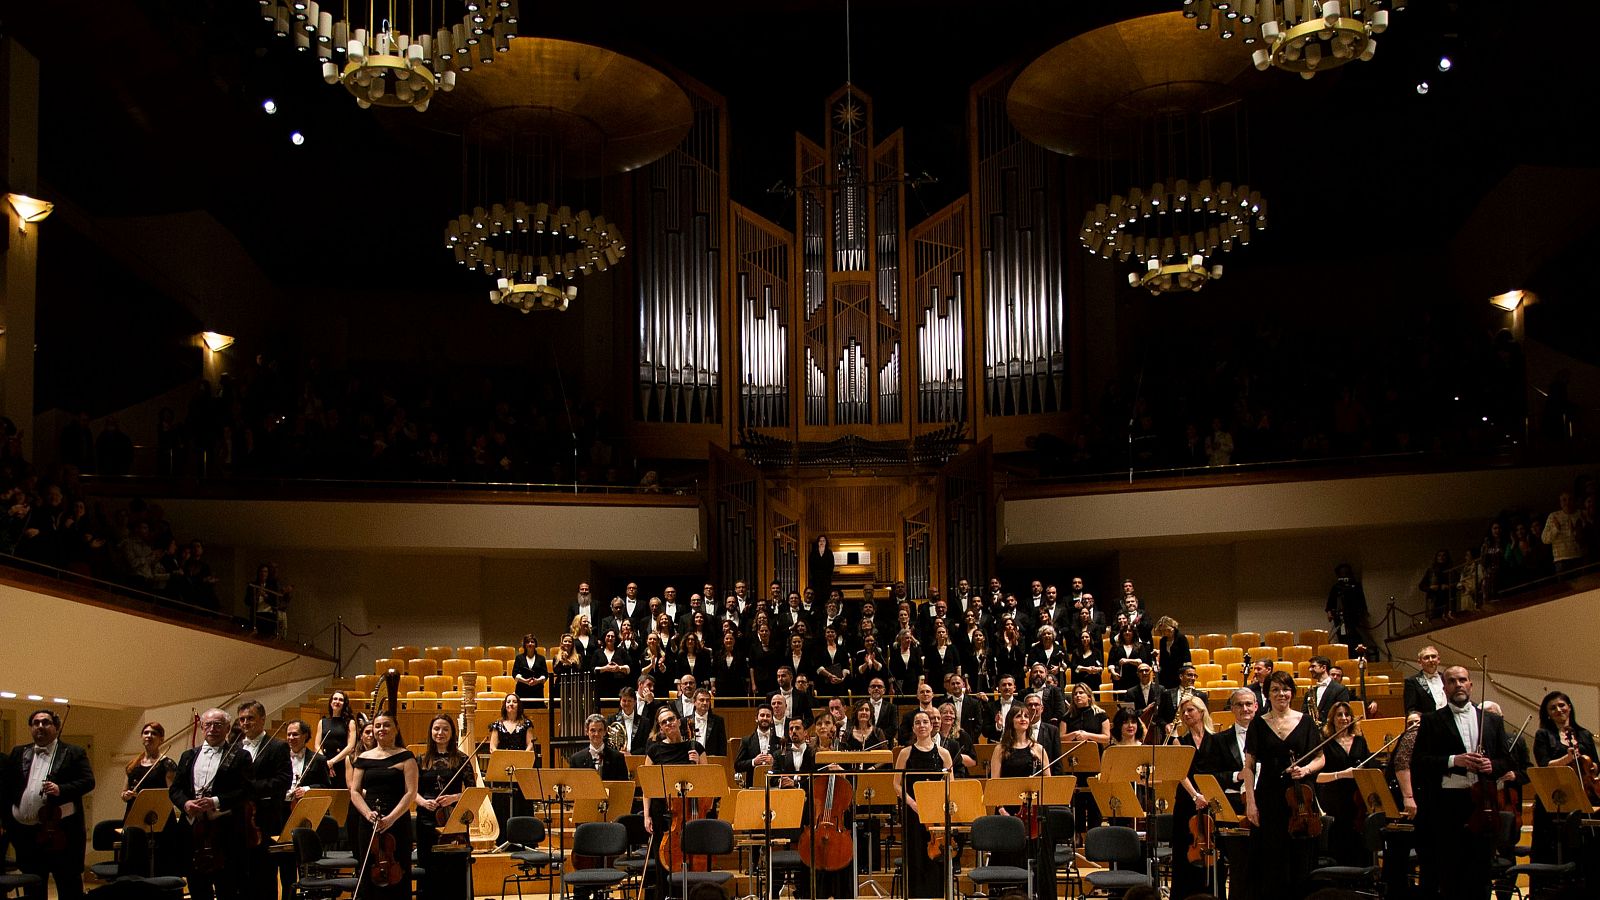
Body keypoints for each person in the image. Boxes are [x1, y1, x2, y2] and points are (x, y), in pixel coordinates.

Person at [1411, 665, 1513, 900]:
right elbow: (1419, 763)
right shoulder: (1432, 720)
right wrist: (1453, 760)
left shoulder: (1492, 721)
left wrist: (1492, 766)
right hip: (1448, 804)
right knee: (1450, 870)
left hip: (1484, 803)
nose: (1458, 684)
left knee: (1481, 871)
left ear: (1470, 685)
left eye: (1463, 680)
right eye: (1452, 681)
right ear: (1445, 688)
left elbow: (1507, 760)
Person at [1242, 670, 1325, 898]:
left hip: (1300, 799)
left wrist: (1306, 769)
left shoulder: (1306, 721)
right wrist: (1251, 802)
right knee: (1271, 859)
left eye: (1286, 689)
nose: (1281, 694)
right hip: (1269, 796)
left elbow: (1320, 758)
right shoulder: (1258, 725)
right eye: (1275, 690)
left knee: (1300, 858)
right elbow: (1248, 767)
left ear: (1293, 692)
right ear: (1267, 694)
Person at [3, 709, 95, 900]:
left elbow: (88, 781)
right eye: (36, 723)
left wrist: (61, 789)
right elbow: (7, 787)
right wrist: (10, 821)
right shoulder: (19, 752)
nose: (40, 727)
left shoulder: (73, 752)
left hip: (62, 834)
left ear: (56, 727)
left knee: (68, 885)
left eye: (46, 723)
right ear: (31, 728)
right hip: (27, 835)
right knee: (33, 887)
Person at [170, 708, 250, 900]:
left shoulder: (240, 756)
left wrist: (215, 801)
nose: (212, 729)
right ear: (202, 728)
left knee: (227, 887)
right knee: (197, 886)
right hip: (193, 831)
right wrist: (186, 803)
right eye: (208, 725)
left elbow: (246, 790)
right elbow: (175, 790)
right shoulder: (188, 755)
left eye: (218, 725)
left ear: (227, 728)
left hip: (225, 830)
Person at [986, 705, 1056, 900]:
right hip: (1008, 812)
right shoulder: (1000, 749)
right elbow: (995, 783)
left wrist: (1039, 764)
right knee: (1010, 857)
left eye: (1026, 716)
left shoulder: (1038, 749)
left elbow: (1048, 783)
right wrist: (1000, 808)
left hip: (1035, 813)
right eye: (1019, 716)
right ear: (1011, 721)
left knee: (1038, 857)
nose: (1024, 719)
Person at [349, 711, 419, 900]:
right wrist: (367, 813)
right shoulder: (363, 757)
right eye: (378, 726)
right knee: (369, 871)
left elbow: (410, 792)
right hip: (369, 822)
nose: (381, 729)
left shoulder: (406, 757)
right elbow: (354, 791)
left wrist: (391, 818)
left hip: (396, 821)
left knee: (398, 873)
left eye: (386, 725)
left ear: (396, 729)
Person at [1530, 691, 1596, 885]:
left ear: (1569, 707)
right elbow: (1543, 765)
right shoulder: (1544, 735)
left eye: (1562, 705)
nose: (1559, 710)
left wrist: (1591, 766)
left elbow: (1596, 765)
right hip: (1555, 799)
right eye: (1553, 708)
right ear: (1547, 714)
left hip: (1584, 797)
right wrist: (1567, 758)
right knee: (1554, 848)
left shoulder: (1584, 734)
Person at [1171, 695, 1232, 900]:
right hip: (1188, 800)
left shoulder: (1218, 739)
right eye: (1184, 712)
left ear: (1201, 711)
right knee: (1185, 851)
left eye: (1191, 710)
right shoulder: (1180, 741)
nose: (1186, 715)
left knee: (1214, 853)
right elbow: (1180, 773)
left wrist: (1209, 793)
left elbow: (1225, 771)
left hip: (1212, 802)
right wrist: (1196, 795)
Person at [236, 700, 292, 900]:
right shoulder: (234, 747)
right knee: (242, 874)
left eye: (250, 718)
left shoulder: (277, 746)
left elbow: (284, 780)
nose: (245, 723)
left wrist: (251, 788)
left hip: (265, 819)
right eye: (242, 719)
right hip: (239, 819)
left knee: (264, 873)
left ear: (262, 719)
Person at [895, 710, 954, 900]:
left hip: (937, 813)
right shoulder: (905, 753)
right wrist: (912, 804)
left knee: (936, 856)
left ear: (931, 726)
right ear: (913, 728)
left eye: (925, 722)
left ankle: (937, 895)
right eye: (917, 722)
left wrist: (940, 804)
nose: (921, 725)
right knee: (915, 854)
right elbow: (897, 784)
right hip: (913, 812)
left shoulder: (944, 753)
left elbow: (950, 784)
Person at [1312, 701, 1372, 866]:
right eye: (1339, 714)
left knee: (1359, 840)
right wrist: (1341, 774)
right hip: (1334, 799)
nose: (1344, 718)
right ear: (1332, 718)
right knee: (1339, 840)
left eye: (1347, 714)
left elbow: (1369, 768)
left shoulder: (1360, 741)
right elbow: (1317, 777)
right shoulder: (1325, 743)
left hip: (1358, 800)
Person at [415, 715, 468, 900]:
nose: (440, 733)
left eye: (445, 729)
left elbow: (474, 792)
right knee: (429, 865)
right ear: (431, 732)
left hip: (453, 819)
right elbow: (411, 791)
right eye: (436, 728)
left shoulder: (462, 759)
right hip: (426, 819)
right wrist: (423, 802)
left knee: (453, 866)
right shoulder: (421, 759)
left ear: (452, 733)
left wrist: (454, 797)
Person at [122, 721, 176, 810]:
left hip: (158, 814)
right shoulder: (133, 764)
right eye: (146, 733)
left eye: (154, 733)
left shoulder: (167, 764)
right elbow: (123, 793)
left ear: (161, 739)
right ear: (141, 737)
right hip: (134, 814)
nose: (149, 736)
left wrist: (145, 798)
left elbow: (172, 795)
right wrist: (126, 795)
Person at [315, 689, 361, 790]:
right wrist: (325, 762)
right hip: (325, 763)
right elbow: (317, 745)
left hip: (342, 763)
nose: (337, 701)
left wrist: (332, 762)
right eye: (335, 699)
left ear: (344, 704)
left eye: (341, 700)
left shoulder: (350, 722)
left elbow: (350, 746)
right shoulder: (322, 722)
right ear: (331, 702)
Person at [569, 714, 629, 780]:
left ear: (605, 732)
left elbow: (624, 786)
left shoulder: (618, 758)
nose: (596, 734)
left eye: (600, 730)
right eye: (593, 730)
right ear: (587, 732)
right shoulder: (576, 760)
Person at [733, 706, 782, 786]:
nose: (765, 718)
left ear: (772, 720)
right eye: (762, 715)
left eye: (768, 716)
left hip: (774, 786)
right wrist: (753, 762)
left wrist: (774, 762)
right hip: (752, 785)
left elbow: (786, 766)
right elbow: (737, 765)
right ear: (756, 718)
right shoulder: (746, 740)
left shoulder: (780, 741)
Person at [1060, 683, 1111, 747]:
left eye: (1081, 693)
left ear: (1089, 697)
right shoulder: (1067, 716)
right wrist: (1073, 734)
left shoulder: (1101, 714)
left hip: (1094, 752)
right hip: (1073, 753)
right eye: (1075, 694)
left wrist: (1088, 735)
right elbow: (1061, 739)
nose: (1078, 695)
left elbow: (1106, 738)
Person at [1404, 645, 1446, 715]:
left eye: (1433, 656)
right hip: (1427, 723)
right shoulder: (1412, 682)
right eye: (1426, 657)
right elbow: (1411, 710)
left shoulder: (1446, 678)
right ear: (1419, 662)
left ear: (1438, 660)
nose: (1431, 660)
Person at [686, 688, 728, 755]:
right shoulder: (685, 720)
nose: (705, 703)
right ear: (694, 702)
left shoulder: (718, 721)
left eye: (707, 700)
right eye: (702, 700)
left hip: (711, 760)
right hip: (690, 760)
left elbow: (722, 745)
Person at [511, 633, 549, 704]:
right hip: (522, 690)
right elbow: (514, 673)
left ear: (535, 644)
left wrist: (537, 681)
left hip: (537, 691)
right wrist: (525, 681)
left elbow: (545, 674)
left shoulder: (541, 658)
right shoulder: (519, 658)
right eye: (528, 642)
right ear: (525, 645)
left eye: (532, 642)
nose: (530, 644)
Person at [808, 534, 835, 601]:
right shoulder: (813, 553)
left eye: (823, 541)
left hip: (826, 579)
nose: (822, 542)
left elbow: (831, 565)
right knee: (816, 597)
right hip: (816, 579)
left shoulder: (829, 552)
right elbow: (811, 566)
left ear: (826, 542)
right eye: (820, 541)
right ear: (818, 542)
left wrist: (827, 576)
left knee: (826, 596)